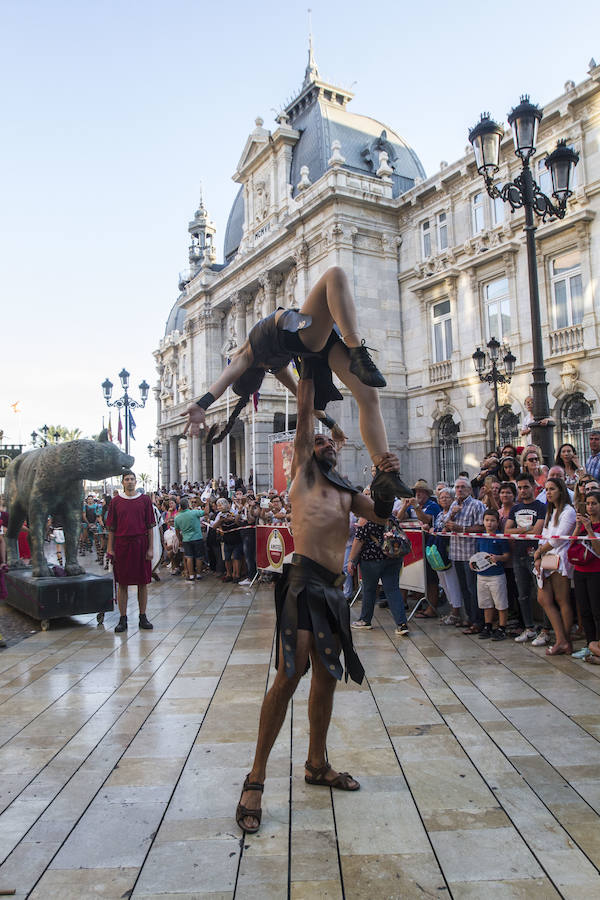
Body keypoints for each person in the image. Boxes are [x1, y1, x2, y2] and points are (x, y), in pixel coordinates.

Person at [235, 359, 402, 834]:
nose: (326, 443)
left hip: (333, 591)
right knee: (290, 674)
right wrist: (308, 365)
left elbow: (384, 514)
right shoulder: (303, 475)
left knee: (328, 676)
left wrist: (386, 475)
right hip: (303, 581)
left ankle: (315, 763)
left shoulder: (348, 492)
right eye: (321, 440)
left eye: (332, 441)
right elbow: (305, 413)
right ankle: (256, 776)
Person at [184, 266, 411, 501]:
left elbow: (228, 375)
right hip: (307, 340)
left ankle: (384, 471)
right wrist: (332, 425)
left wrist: (203, 404)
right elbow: (304, 400)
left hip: (310, 338)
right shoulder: (271, 365)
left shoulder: (247, 354)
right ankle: (356, 350)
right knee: (334, 275)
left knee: (368, 394)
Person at [106, 472, 155, 633]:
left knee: (143, 582)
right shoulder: (115, 502)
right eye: (127, 479)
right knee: (123, 583)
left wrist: (151, 548)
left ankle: (143, 616)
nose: (130, 482)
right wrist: (110, 548)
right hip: (122, 545)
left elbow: (150, 526)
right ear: (122, 482)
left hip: (141, 545)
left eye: (132, 479)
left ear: (135, 481)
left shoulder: (145, 500)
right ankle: (123, 618)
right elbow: (112, 528)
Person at [533, 478, 577, 656]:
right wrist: (540, 553)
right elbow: (544, 536)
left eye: (552, 489)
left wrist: (540, 552)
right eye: (546, 489)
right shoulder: (551, 511)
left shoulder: (568, 511)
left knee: (562, 599)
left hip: (560, 559)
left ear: (561, 490)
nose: (549, 492)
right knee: (543, 599)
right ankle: (562, 639)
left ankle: (564, 640)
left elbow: (558, 538)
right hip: (547, 558)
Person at [347, 512, 410, 635]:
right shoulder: (390, 516)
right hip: (393, 557)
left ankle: (365, 620)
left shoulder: (365, 518)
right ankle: (401, 624)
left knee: (369, 590)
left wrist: (350, 560)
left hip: (371, 560)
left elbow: (358, 540)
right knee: (393, 590)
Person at [504, 474, 546, 644]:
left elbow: (538, 531)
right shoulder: (515, 509)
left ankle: (545, 629)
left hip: (535, 554)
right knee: (523, 595)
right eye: (520, 488)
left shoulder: (541, 507)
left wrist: (520, 529)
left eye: (526, 487)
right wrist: (527, 529)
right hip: (518, 554)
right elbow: (507, 531)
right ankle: (528, 627)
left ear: (533, 487)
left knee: (541, 595)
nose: (523, 490)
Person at [443, 478, 486, 633]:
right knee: (463, 588)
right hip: (456, 552)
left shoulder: (476, 505)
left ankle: (478, 621)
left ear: (469, 489)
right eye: (457, 487)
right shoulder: (454, 505)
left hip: (470, 553)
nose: (459, 490)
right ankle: (469, 617)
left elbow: (482, 527)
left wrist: (462, 528)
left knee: (472, 588)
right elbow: (445, 526)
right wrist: (452, 517)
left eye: (462, 487)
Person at [395, 480, 441, 618]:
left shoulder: (432, 505)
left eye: (421, 491)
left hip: (428, 545)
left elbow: (426, 520)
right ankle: (403, 603)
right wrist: (404, 506)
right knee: (407, 573)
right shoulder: (412, 506)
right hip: (413, 545)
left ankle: (432, 607)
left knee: (431, 578)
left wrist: (416, 507)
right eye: (416, 491)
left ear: (427, 493)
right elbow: (399, 518)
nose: (418, 494)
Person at [471, 509, 510, 641]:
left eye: (492, 520)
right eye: (487, 520)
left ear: (497, 522)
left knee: (500, 602)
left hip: (496, 575)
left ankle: (502, 627)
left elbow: (506, 556)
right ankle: (488, 625)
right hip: (482, 575)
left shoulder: (500, 537)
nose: (489, 523)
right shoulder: (481, 537)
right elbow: (478, 555)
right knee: (485, 602)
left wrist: (498, 558)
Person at [570, 490, 600, 663]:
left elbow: (598, 550)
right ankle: (589, 644)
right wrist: (577, 527)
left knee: (597, 611)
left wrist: (589, 529)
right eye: (588, 503)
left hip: (596, 572)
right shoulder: (583, 524)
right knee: (585, 610)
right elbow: (572, 545)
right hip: (580, 571)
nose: (590, 507)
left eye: (594, 503)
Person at [427, 487, 464, 625]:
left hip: (450, 552)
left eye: (447, 497)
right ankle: (451, 610)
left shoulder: (455, 513)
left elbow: (446, 528)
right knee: (444, 582)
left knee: (452, 582)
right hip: (438, 553)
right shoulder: (439, 515)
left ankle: (456, 612)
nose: (444, 499)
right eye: (441, 497)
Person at [174, 497, 204, 582]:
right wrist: (207, 502)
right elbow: (206, 512)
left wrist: (180, 540)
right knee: (199, 557)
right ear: (188, 505)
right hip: (197, 537)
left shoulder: (177, 517)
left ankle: (191, 575)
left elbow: (177, 531)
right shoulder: (194, 512)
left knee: (189, 557)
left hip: (186, 539)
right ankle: (198, 574)